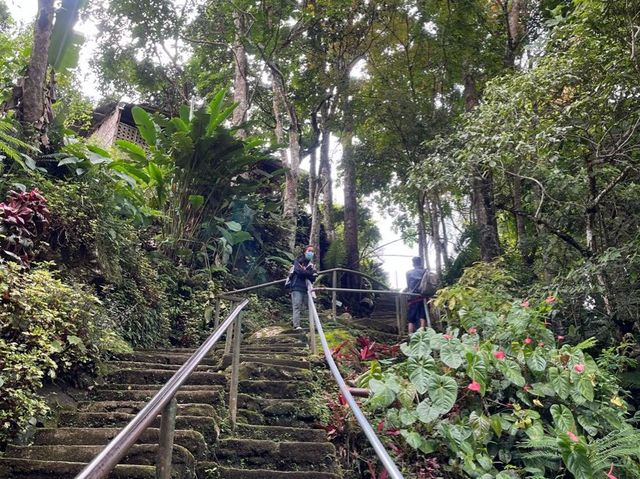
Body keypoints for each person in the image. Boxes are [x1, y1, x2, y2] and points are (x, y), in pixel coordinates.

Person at [287, 246, 318, 330]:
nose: (311, 253)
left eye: (312, 251)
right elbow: (299, 272)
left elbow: (314, 278)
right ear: (305, 251)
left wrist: (305, 272)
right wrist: (308, 273)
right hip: (296, 286)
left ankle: (314, 325)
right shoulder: (298, 261)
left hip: (307, 288)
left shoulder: (311, 265)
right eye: (309, 251)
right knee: (297, 306)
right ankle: (296, 325)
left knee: (311, 306)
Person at [406, 256, 427, 334]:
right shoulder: (424, 271)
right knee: (422, 315)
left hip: (412, 296)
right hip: (422, 295)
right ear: (420, 263)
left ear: (413, 263)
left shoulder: (408, 273)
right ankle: (422, 334)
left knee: (411, 318)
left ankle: (410, 335)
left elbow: (408, 285)